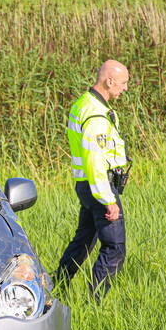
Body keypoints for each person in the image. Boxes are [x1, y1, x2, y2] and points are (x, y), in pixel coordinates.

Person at [53, 60, 131, 299]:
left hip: (86, 186)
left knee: (84, 240)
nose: (125, 88)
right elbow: (95, 161)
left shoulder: (83, 104)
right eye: (123, 83)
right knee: (114, 247)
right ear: (109, 81)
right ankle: (96, 301)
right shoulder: (96, 115)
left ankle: (56, 287)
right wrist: (108, 199)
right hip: (99, 187)